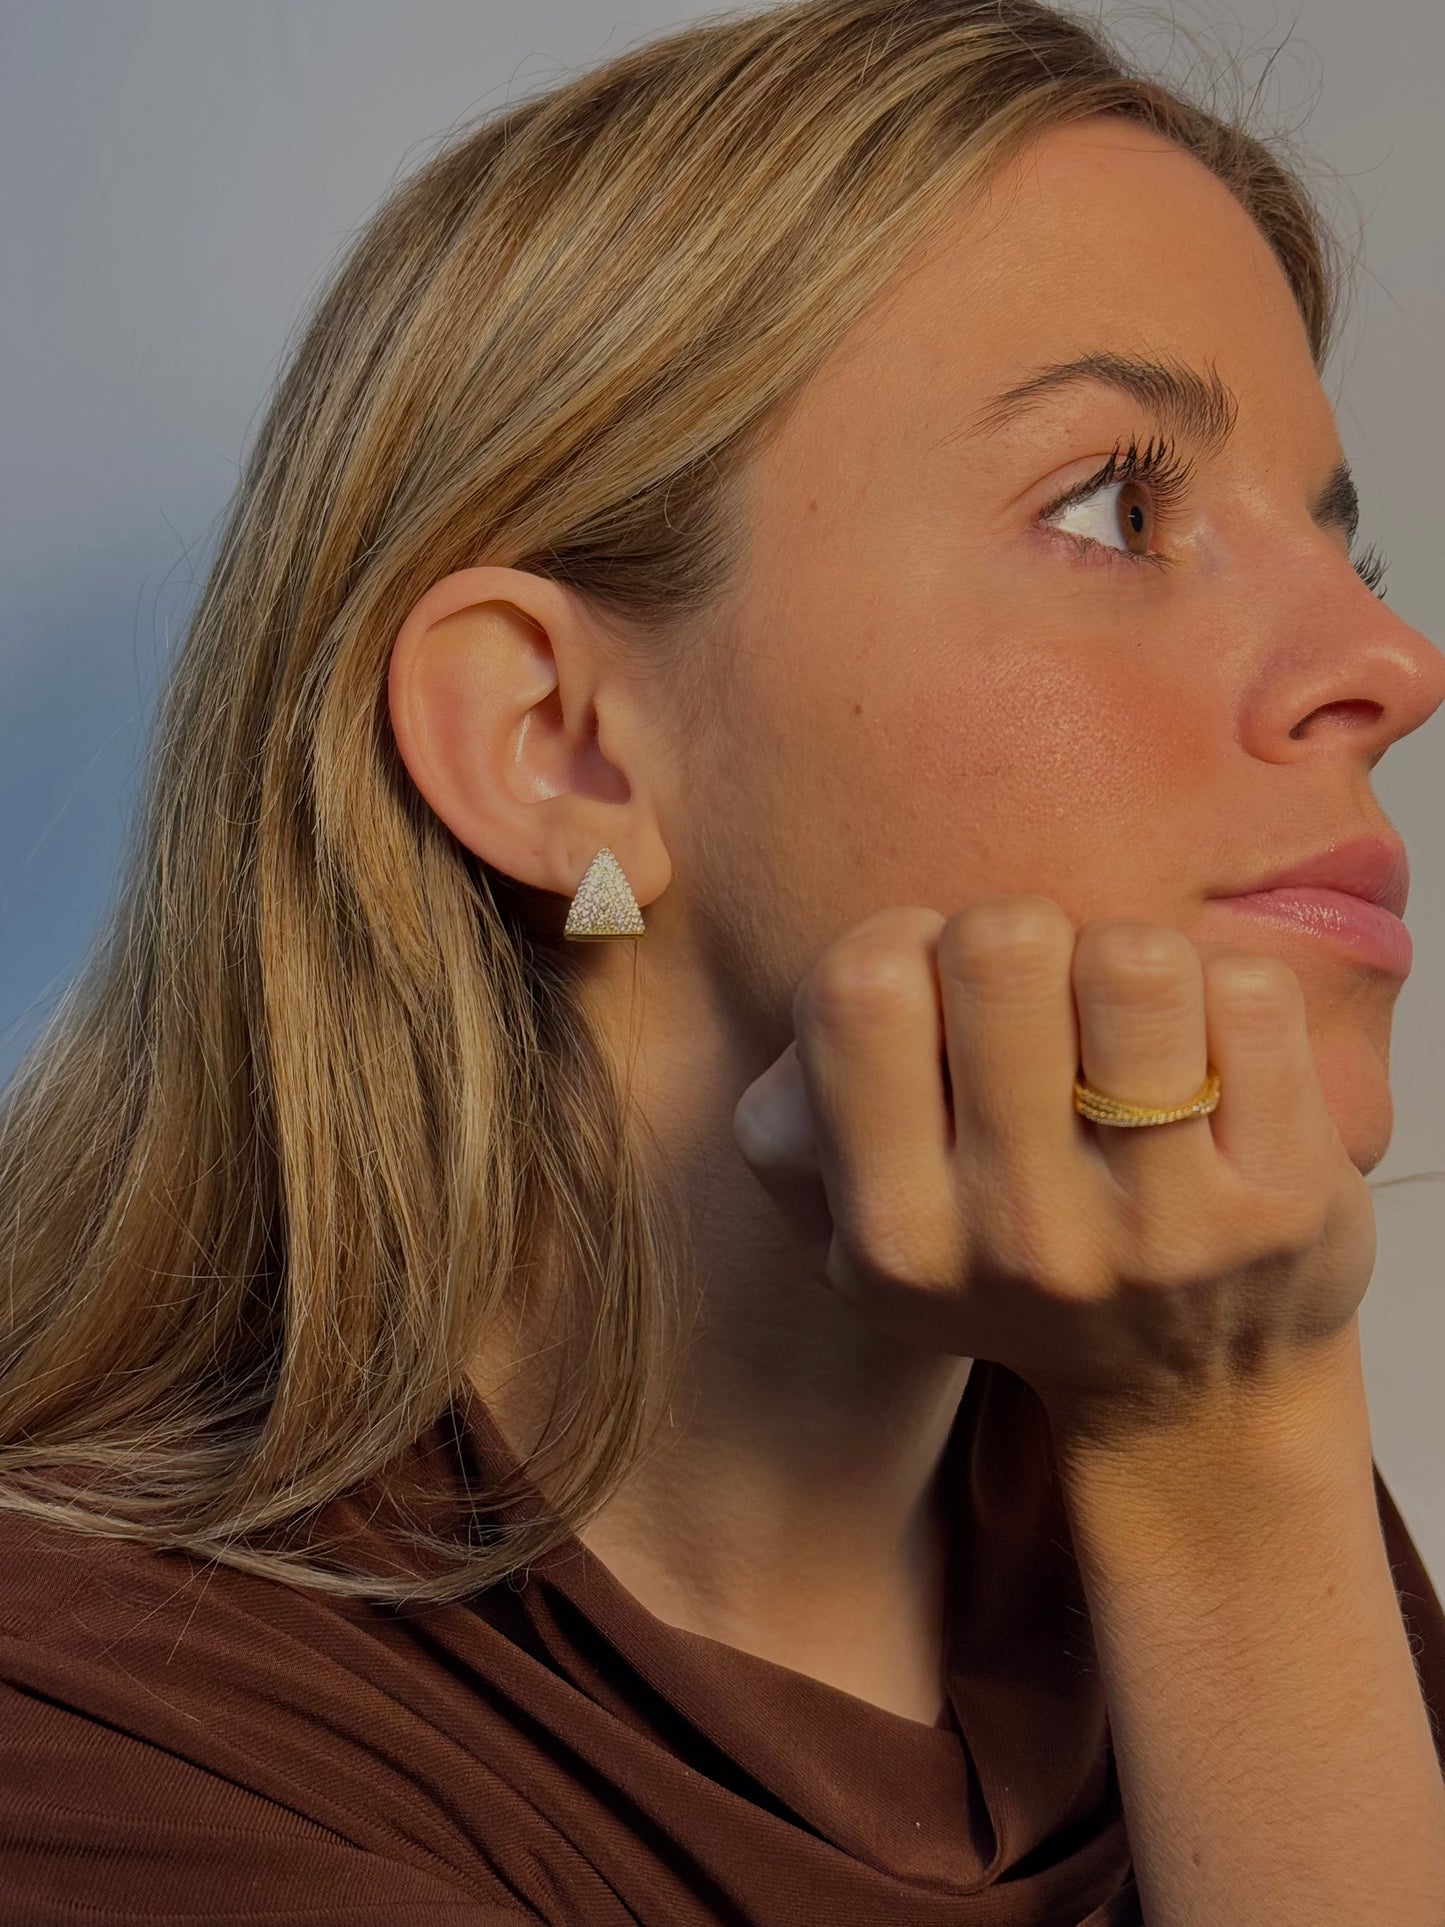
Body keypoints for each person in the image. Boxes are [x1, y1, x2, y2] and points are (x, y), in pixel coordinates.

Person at [2, 1, 1443, 1921]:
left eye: (1340, 545)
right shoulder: (97, 1743)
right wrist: (1224, 1460)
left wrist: (1223, 1476)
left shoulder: (1168, 1478)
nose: (1386, 667)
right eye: (1115, 505)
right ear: (559, 747)